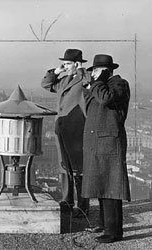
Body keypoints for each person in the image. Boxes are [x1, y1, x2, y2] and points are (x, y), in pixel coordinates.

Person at [81, 54, 131, 243]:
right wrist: (90, 86)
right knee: (102, 185)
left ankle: (114, 232)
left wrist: (99, 81)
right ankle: (104, 224)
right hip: (97, 142)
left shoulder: (119, 84)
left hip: (110, 143)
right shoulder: (99, 86)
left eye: (95, 70)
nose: (92, 74)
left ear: (105, 71)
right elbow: (89, 105)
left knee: (111, 187)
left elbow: (105, 100)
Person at [41, 48, 90, 217]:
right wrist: (56, 71)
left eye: (68, 63)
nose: (65, 66)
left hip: (76, 129)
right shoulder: (64, 81)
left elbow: (89, 81)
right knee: (64, 167)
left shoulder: (82, 77)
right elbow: (46, 84)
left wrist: (79, 70)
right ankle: (67, 201)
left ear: (76, 63)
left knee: (79, 169)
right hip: (61, 128)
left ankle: (83, 205)